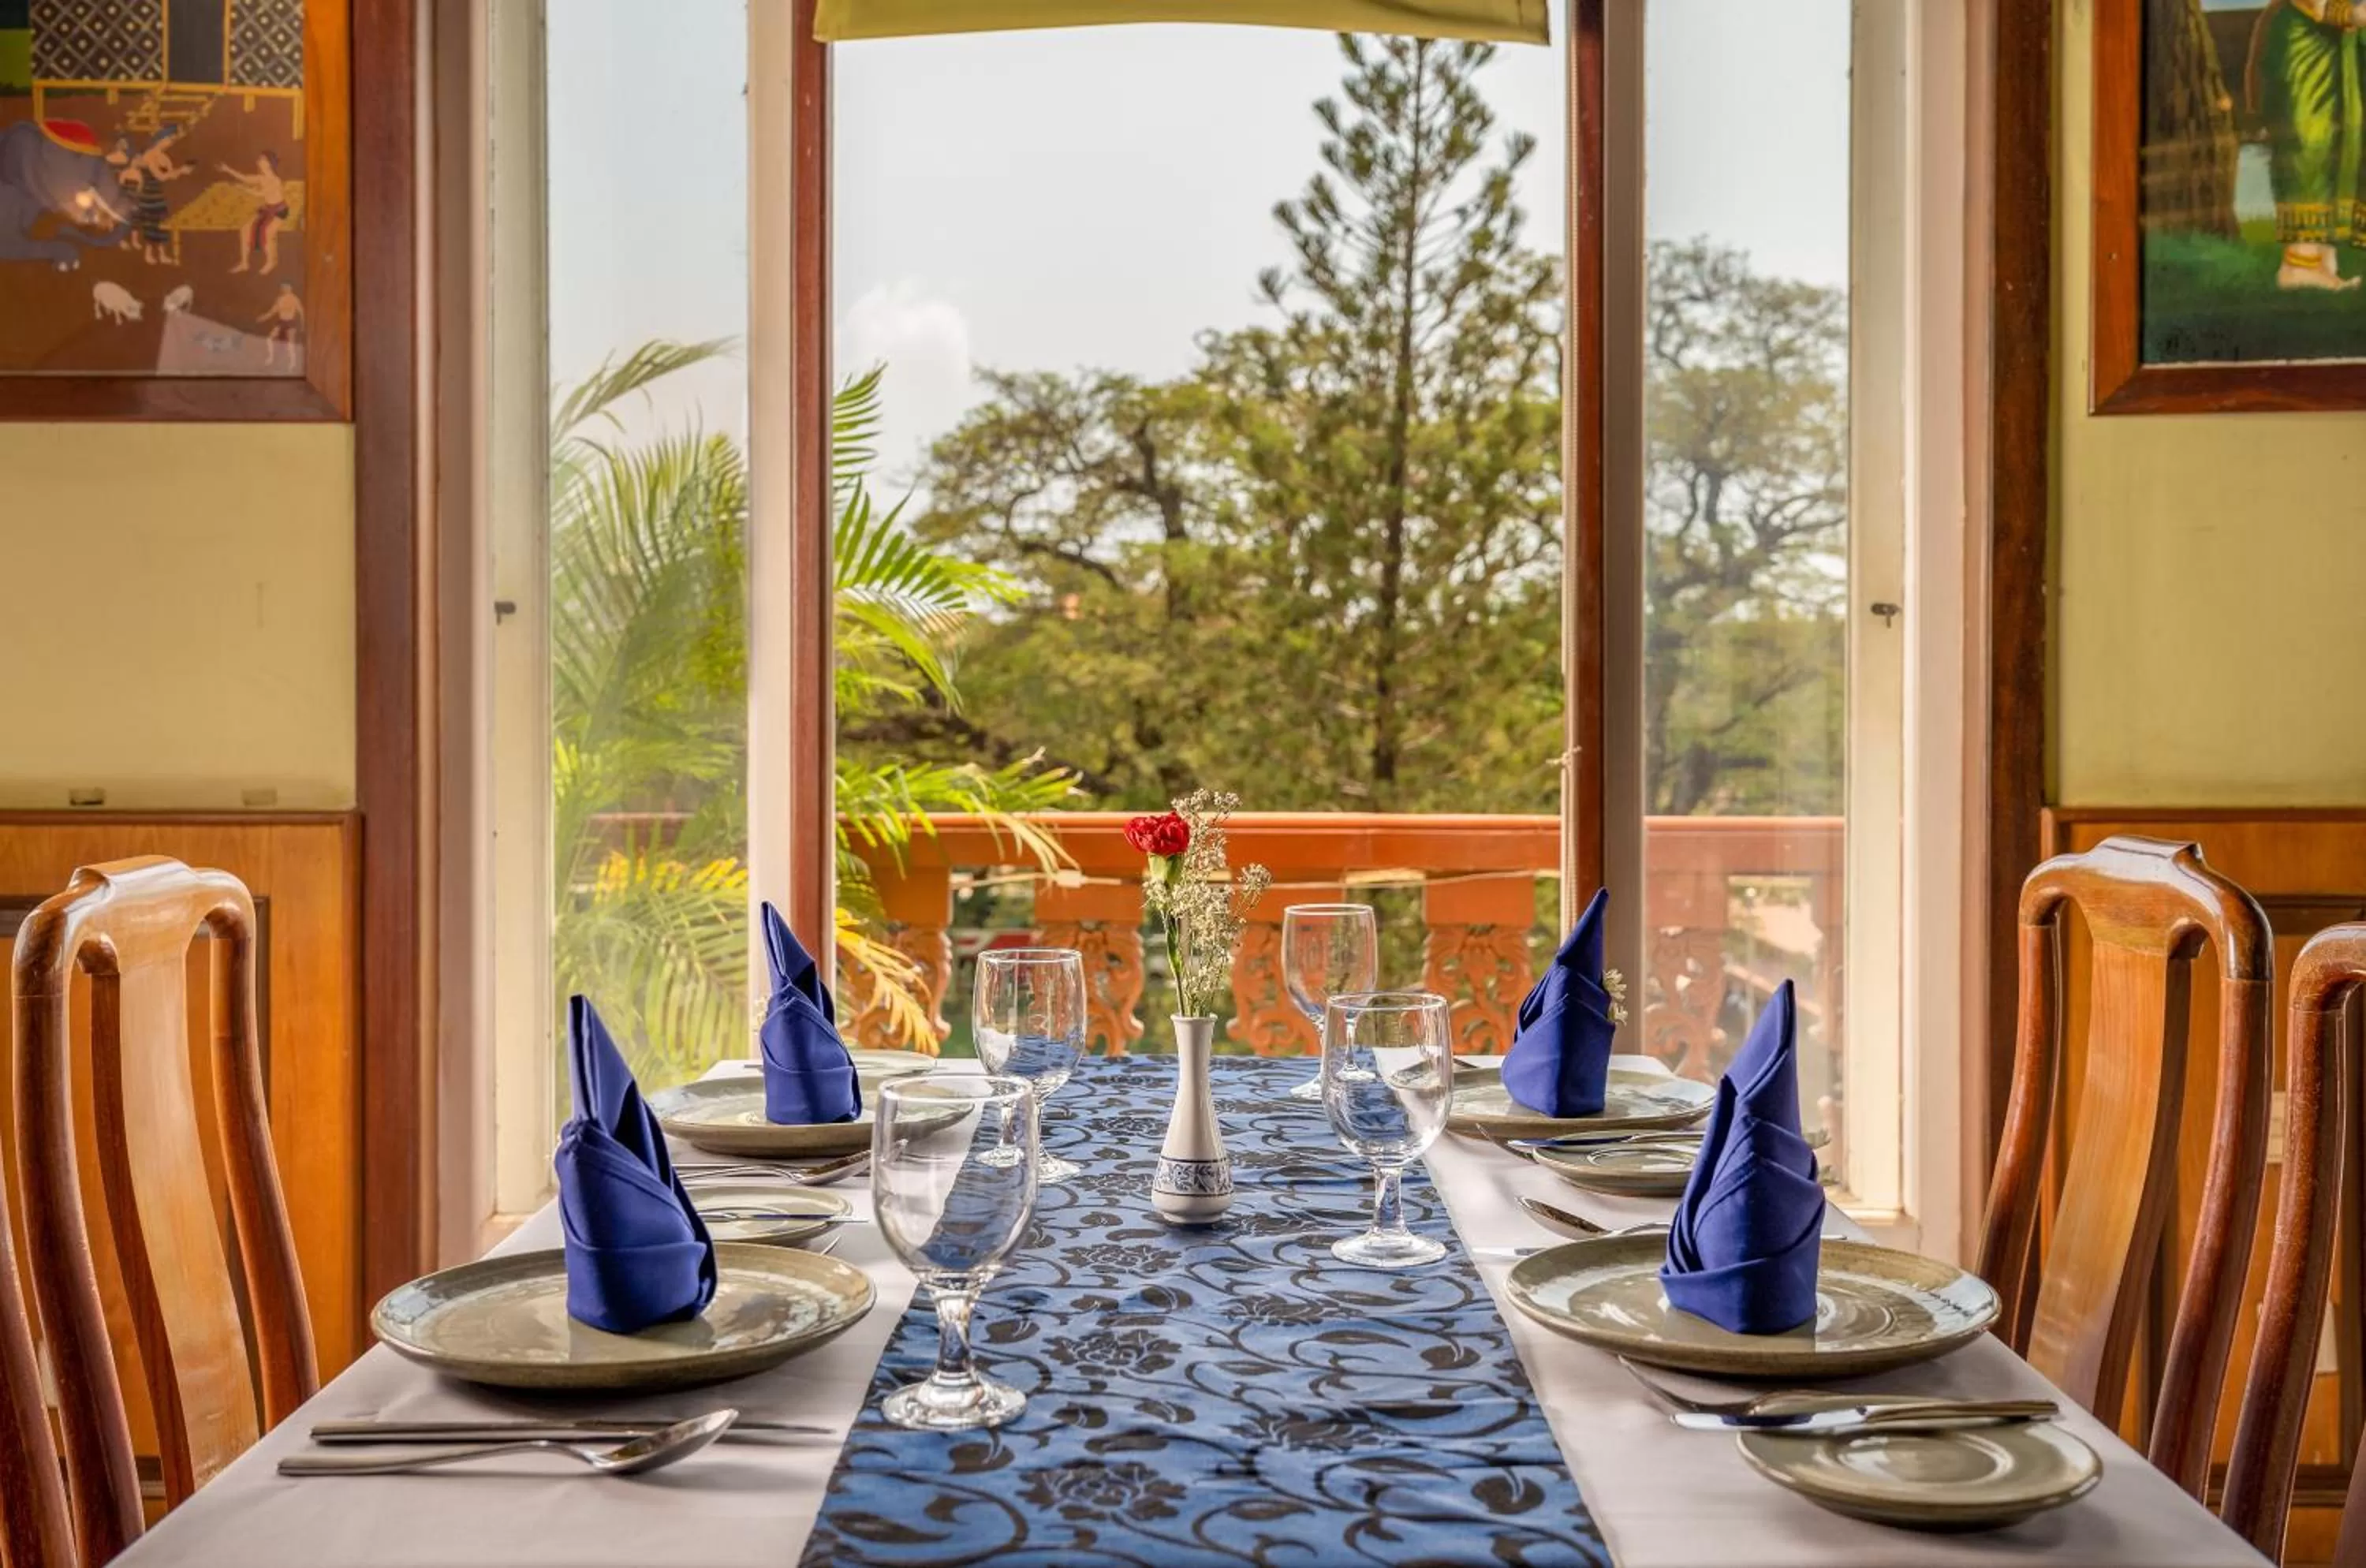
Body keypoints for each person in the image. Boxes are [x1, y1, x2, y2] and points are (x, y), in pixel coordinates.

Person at [2252, 0, 2366, 290]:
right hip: (2304, 46)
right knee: (2309, 150)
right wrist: (2349, 12)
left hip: (2340, 47)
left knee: (2339, 151)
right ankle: (2297, 267)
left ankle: (2322, 264)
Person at [124, 126, 192, 265]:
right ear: (161, 139)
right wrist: (178, 171)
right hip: (146, 193)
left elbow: (170, 175)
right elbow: (160, 176)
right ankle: (149, 254)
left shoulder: (165, 157)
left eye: (172, 141)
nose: (170, 143)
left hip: (158, 194)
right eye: (169, 140)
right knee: (150, 223)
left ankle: (162, 254)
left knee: (162, 221)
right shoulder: (149, 155)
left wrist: (182, 171)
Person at [218, 150, 289, 275]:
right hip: (267, 209)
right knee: (245, 229)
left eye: (261, 159)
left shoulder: (276, 180)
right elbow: (245, 178)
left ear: (268, 163)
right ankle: (244, 263)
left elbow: (261, 194)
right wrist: (228, 170)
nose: (258, 162)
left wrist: (243, 189)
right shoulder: (261, 178)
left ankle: (271, 262)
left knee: (267, 232)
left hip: (279, 211)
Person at [256, 283, 304, 368]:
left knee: (290, 344)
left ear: (290, 289)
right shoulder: (279, 299)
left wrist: (303, 325)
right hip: (281, 322)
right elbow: (273, 311)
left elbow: (301, 312)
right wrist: (263, 317)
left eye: (286, 288)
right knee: (269, 339)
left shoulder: (294, 299)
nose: (284, 289)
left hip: (290, 323)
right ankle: (271, 358)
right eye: (283, 288)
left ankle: (292, 363)